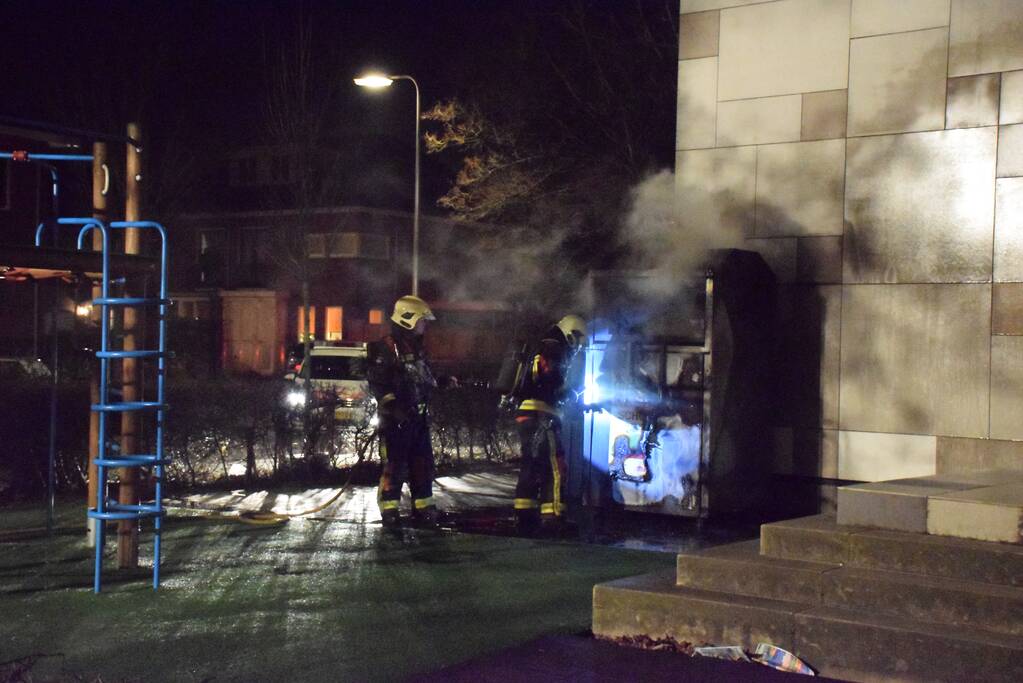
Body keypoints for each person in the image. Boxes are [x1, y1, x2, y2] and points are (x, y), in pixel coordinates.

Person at [367, 295, 449, 529]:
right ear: (408, 319)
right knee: (395, 465)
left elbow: (424, 378)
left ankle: (424, 507)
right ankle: (390, 510)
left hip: (418, 419)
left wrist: (442, 382)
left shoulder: (417, 348)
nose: (424, 325)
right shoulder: (386, 348)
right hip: (396, 421)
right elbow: (378, 382)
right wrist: (393, 407)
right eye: (422, 320)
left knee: (422, 464)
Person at [512, 314, 587, 533]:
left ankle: (525, 515)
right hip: (542, 414)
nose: (577, 347)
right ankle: (553, 516)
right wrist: (571, 393)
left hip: (527, 413)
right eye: (578, 340)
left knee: (531, 464)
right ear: (571, 334)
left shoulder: (542, 345)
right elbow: (551, 382)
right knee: (555, 465)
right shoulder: (554, 349)